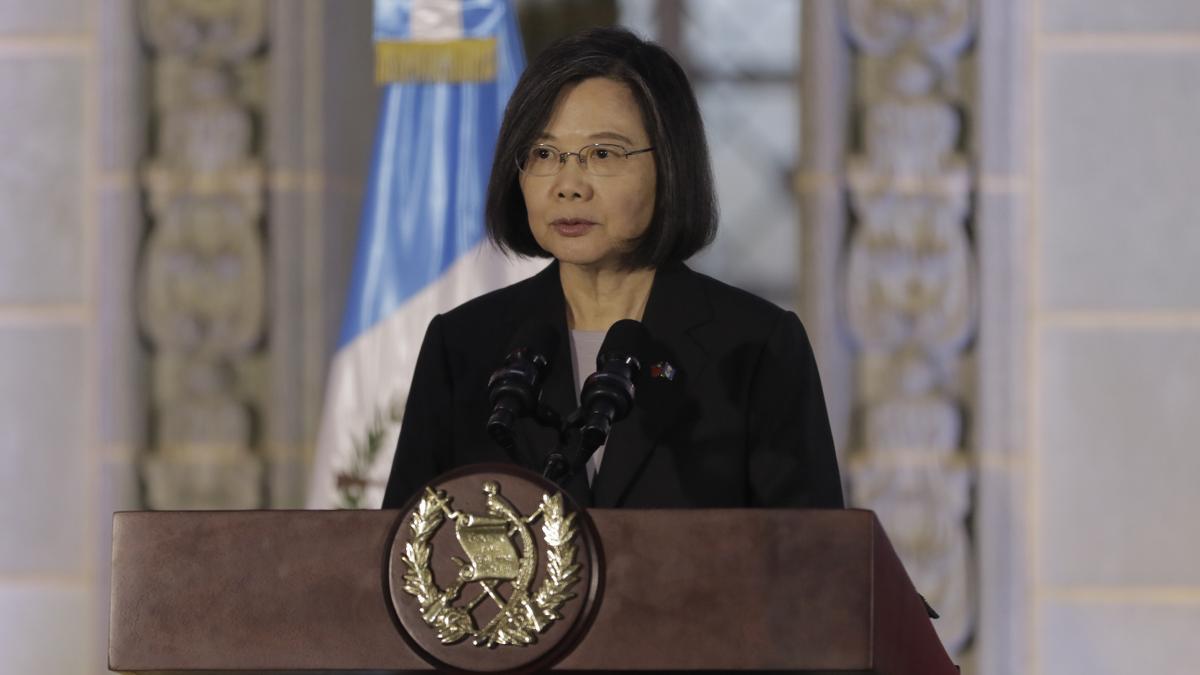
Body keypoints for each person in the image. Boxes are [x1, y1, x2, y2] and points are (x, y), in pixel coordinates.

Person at [381, 26, 843, 510]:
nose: (568, 185)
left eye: (602, 153)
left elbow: (813, 561)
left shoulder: (755, 347)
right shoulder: (463, 346)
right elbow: (399, 552)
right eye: (543, 154)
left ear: (669, 163)